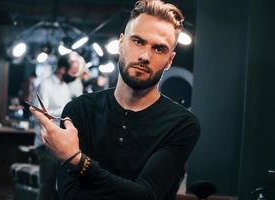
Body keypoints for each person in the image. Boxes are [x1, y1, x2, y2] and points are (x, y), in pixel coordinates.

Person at [30, 1, 200, 200]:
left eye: (159, 49)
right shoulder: (80, 110)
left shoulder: (181, 124)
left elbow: (145, 196)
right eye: (138, 41)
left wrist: (77, 160)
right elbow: (69, 195)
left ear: (169, 60)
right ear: (121, 43)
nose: (145, 56)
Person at [33, 52, 84, 200]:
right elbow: (41, 114)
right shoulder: (46, 85)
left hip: (61, 143)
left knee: (60, 187)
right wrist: (66, 109)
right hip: (46, 143)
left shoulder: (65, 87)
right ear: (62, 69)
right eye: (72, 71)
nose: (74, 75)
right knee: (47, 187)